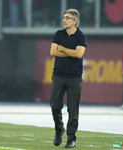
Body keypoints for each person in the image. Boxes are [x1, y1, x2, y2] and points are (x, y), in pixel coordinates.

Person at [49, 9, 87, 148]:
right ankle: (59, 130)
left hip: (74, 78)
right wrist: (71, 51)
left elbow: (79, 54)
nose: (64, 20)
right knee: (54, 106)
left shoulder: (81, 36)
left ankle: (71, 139)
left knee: (73, 109)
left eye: (67, 18)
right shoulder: (59, 34)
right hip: (58, 75)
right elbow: (53, 51)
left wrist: (62, 49)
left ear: (75, 21)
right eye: (64, 17)